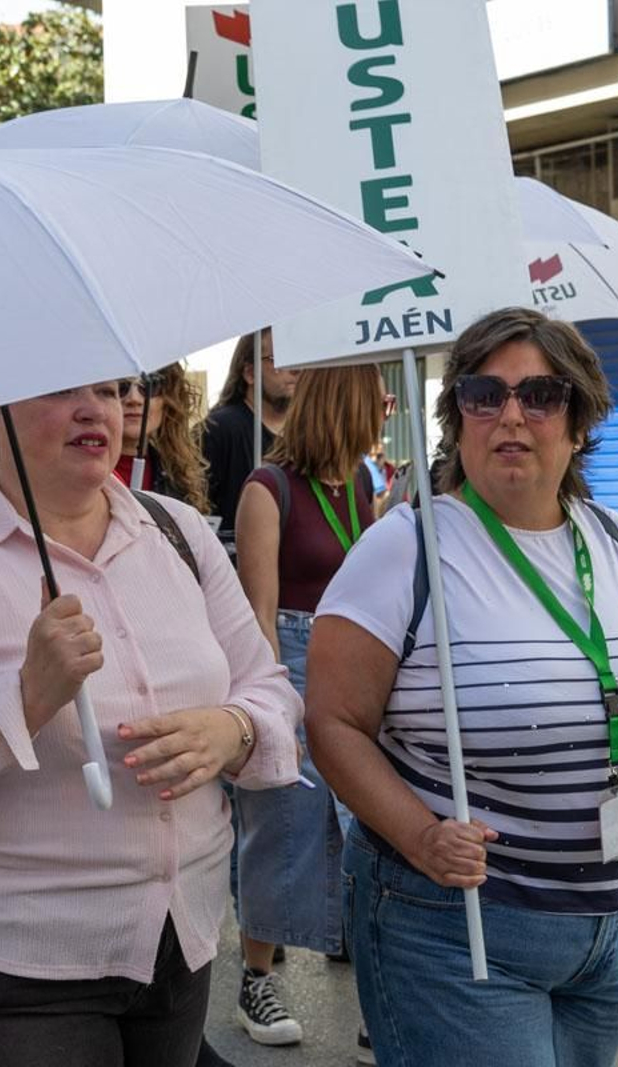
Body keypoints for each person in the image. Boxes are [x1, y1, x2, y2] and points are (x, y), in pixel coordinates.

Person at [305, 309, 618, 1066]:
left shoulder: (617, 542)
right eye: (483, 394)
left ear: (580, 418)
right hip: (453, 919)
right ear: (455, 416)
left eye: (540, 395)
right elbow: (332, 722)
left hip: (605, 926)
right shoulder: (407, 547)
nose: (511, 417)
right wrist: (420, 835)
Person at [0, 381, 302, 1066]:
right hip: (2, 969)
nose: (97, 410)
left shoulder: (177, 533)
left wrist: (230, 729)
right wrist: (27, 695)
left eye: (113, 391)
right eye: (62, 390)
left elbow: (268, 690)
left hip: (178, 942)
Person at [230, 366, 385, 1050]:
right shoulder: (267, 489)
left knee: (368, 829)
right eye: (374, 397)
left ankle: (381, 999)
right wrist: (273, 704)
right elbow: (256, 611)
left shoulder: (360, 483)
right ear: (343, 406)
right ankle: (255, 978)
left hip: (350, 662)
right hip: (288, 657)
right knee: (281, 826)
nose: (384, 408)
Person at [201, 328, 300, 548]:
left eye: (299, 358)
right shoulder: (219, 429)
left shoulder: (305, 436)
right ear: (249, 373)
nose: (295, 370)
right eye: (280, 359)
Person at [114, 364, 210, 513]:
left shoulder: (177, 478)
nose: (134, 399)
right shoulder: (76, 473)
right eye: (120, 387)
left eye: (150, 385)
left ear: (167, 399)